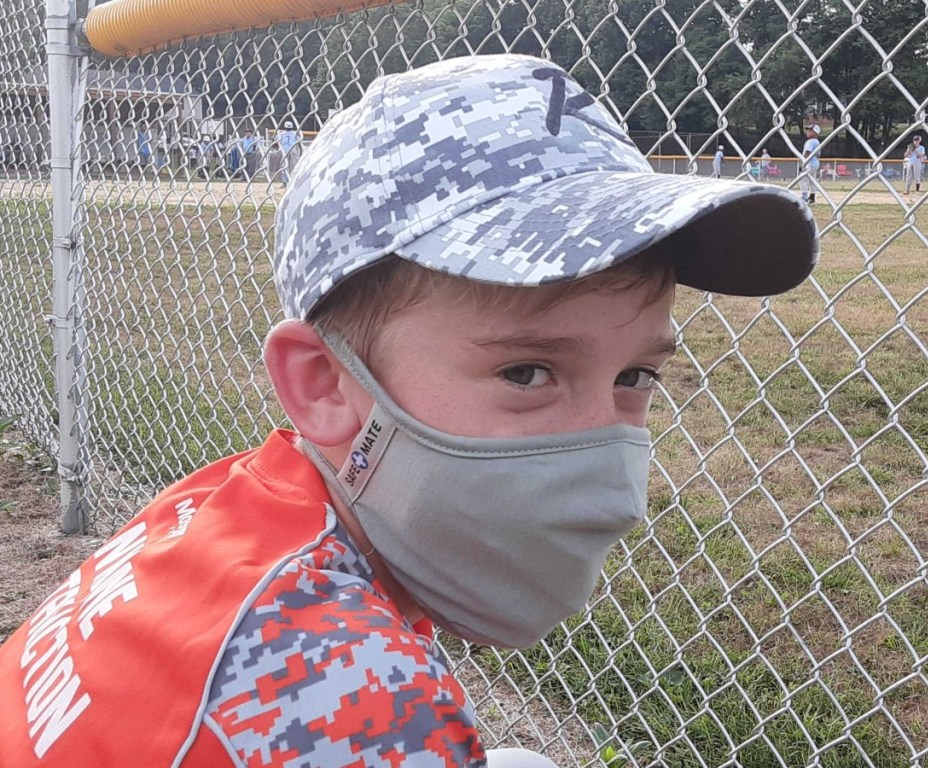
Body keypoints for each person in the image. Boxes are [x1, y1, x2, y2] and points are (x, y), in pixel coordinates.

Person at [0, 54, 817, 766]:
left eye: (637, 377)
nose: (603, 462)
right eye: (527, 371)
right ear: (324, 384)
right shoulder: (351, 700)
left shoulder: (223, 508)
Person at [800, 124, 821, 204]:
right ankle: (812, 197)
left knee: (802, 179)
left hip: (809, 163)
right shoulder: (817, 142)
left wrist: (803, 163)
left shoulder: (811, 141)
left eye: (810, 130)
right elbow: (818, 155)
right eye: (808, 130)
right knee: (812, 180)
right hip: (815, 162)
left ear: (815, 132)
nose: (808, 132)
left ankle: (804, 197)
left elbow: (807, 152)